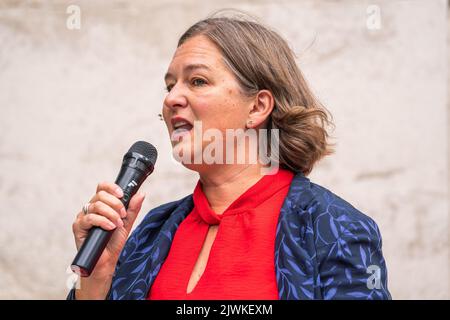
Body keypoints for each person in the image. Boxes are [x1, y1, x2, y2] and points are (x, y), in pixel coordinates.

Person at [69, 13, 391, 300]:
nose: (172, 99)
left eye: (197, 81)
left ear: (257, 107)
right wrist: (95, 282)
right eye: (170, 86)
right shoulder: (150, 233)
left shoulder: (335, 228)